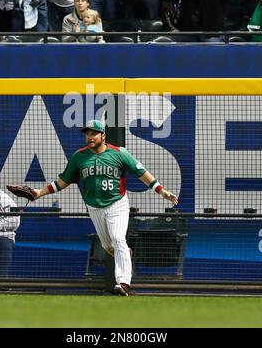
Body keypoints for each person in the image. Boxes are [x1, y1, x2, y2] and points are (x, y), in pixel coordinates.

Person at [13, 120, 178, 296]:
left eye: (94, 133)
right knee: (109, 247)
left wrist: (162, 191)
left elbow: (141, 172)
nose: (90, 137)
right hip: (94, 207)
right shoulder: (79, 156)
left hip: (117, 203)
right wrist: (39, 192)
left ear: (103, 136)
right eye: (88, 133)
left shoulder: (119, 153)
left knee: (118, 238)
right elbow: (62, 181)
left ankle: (123, 283)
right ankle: (125, 254)